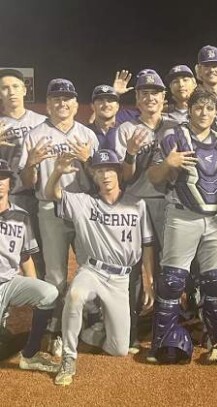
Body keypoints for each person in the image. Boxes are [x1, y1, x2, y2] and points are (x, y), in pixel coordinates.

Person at [146, 87, 217, 363]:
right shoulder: (172, 137)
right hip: (182, 214)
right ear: (190, 109)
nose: (204, 113)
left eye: (209, 108)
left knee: (216, 280)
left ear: (215, 112)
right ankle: (160, 342)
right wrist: (168, 163)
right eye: (199, 108)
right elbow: (153, 177)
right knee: (173, 281)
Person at [45, 149, 154, 386]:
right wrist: (56, 173)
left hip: (121, 280)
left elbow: (147, 245)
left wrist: (148, 280)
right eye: (100, 171)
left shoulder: (137, 204)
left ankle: (87, 330)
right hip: (92, 271)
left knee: (119, 349)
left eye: (111, 170)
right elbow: (51, 193)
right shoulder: (84, 202)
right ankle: (68, 357)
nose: (105, 175)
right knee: (75, 295)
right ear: (94, 176)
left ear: (119, 174)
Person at [19, 78, 99, 356]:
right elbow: (28, 183)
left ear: (76, 105)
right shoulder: (35, 134)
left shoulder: (88, 135)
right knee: (54, 273)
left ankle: (89, 317)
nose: (62, 103)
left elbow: (101, 180)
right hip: (49, 208)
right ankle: (55, 326)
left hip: (83, 207)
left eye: (67, 98)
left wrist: (89, 159)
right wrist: (31, 163)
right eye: (56, 99)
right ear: (48, 105)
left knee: (90, 265)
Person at [114, 70, 176, 353]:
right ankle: (130, 329)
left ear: (164, 98)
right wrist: (130, 153)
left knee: (168, 266)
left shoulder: (175, 126)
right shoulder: (126, 129)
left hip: (167, 202)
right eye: (144, 93)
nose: (150, 97)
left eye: (155, 92)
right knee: (133, 269)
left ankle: (164, 328)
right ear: (137, 98)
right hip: (135, 202)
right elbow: (124, 177)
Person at [0, 159, 59, 372]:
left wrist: (32, 289)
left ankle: (30, 354)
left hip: (9, 282)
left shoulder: (21, 216)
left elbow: (25, 257)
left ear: (10, 182)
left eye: (3, 177)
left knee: (48, 293)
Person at [0, 69, 46, 280]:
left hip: (41, 195)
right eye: (5, 88)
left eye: (16, 86)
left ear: (25, 90)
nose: (11, 92)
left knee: (46, 252)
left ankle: (47, 305)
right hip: (13, 197)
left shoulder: (42, 122)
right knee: (18, 255)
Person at [87, 85, 120, 149]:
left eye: (110, 100)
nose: (106, 104)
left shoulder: (126, 133)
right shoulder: (84, 133)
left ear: (117, 107)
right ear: (93, 106)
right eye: (100, 100)